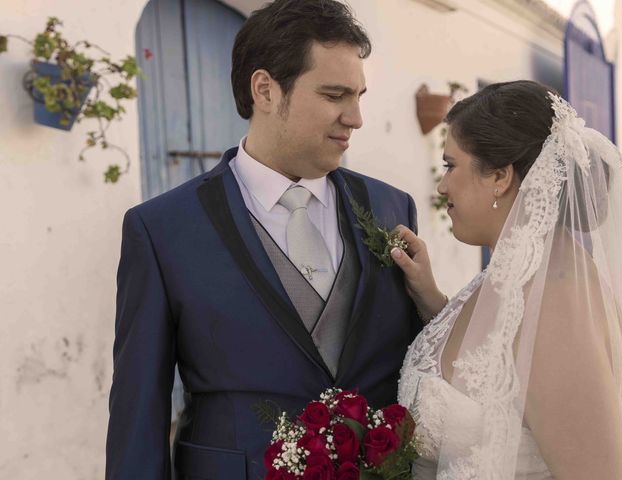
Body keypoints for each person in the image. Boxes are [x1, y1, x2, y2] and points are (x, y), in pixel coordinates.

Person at [105, 1, 422, 479]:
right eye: (335, 95)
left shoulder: (393, 210)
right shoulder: (162, 229)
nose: (355, 117)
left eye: (359, 95)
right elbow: (139, 410)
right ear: (266, 90)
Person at [393, 80, 622, 479]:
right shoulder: (510, 273)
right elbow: (491, 365)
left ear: (500, 177)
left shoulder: (558, 298)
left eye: (451, 165)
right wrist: (432, 301)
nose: (442, 185)